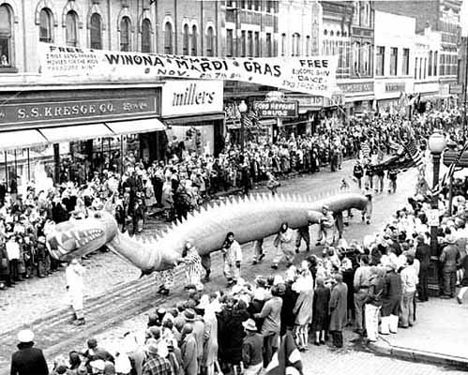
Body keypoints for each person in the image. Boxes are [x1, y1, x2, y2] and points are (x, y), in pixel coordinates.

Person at [254, 285, 283, 367]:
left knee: (266, 345)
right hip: (277, 323)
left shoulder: (269, 303)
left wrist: (256, 315)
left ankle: (267, 361)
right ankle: (274, 359)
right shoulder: (280, 300)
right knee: (273, 344)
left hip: (268, 325)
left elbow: (262, 315)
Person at [292, 261, 314, 351]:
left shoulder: (303, 291)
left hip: (302, 311)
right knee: (305, 329)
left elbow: (298, 303)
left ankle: (301, 344)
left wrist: (294, 309)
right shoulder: (311, 290)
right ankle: (305, 344)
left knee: (299, 329)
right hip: (309, 310)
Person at [380, 262, 402, 335]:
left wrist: (383, 296)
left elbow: (385, 287)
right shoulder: (398, 275)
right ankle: (393, 329)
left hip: (389, 296)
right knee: (395, 312)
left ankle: (385, 330)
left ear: (390, 268)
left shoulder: (387, 276)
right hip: (398, 296)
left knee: (386, 312)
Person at [353, 254, 372, 335]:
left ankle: (359, 327)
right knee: (366, 309)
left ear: (362, 261)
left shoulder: (359, 270)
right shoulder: (371, 269)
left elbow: (356, 282)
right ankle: (366, 326)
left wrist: (356, 290)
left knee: (358, 309)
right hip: (369, 290)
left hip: (360, 290)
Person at [365, 267, 385, 342]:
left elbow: (370, 295)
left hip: (372, 303)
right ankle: (375, 334)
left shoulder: (373, 282)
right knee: (375, 319)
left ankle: (371, 336)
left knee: (369, 320)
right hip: (379, 302)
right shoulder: (382, 280)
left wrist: (365, 301)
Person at [329, 273, 348, 348]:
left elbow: (333, 301)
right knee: (339, 325)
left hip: (337, 309)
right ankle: (339, 342)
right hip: (343, 307)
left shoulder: (336, 289)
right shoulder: (345, 286)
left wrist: (330, 307)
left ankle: (337, 343)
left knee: (336, 326)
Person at [399, 255, 418, 328]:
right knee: (411, 305)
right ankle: (411, 320)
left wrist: (402, 291)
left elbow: (403, 283)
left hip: (406, 290)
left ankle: (405, 322)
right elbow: (416, 280)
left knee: (404, 306)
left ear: (407, 262)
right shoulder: (413, 270)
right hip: (413, 289)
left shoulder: (404, 272)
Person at [65, 258, 86, 326]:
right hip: (71, 286)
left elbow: (82, 271)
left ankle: (81, 319)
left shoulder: (75, 265)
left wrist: (76, 264)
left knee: (77, 302)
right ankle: (75, 316)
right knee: (69, 302)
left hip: (77, 287)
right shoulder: (68, 266)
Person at [439, 234, 460, 299]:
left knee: (447, 280)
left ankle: (447, 293)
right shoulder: (456, 248)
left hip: (446, 266)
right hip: (454, 265)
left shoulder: (445, 249)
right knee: (453, 280)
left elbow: (442, 259)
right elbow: (458, 257)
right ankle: (453, 292)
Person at [312, 276, 330, 346]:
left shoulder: (316, 290)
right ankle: (322, 338)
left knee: (318, 324)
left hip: (318, 309)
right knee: (324, 324)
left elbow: (314, 301)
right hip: (325, 308)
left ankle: (317, 340)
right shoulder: (327, 289)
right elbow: (329, 298)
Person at [415, 235, 431, 302]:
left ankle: (422, 297)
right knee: (425, 281)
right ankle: (426, 296)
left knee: (421, 281)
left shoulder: (419, 248)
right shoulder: (427, 246)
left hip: (421, 264)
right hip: (427, 264)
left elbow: (417, 257)